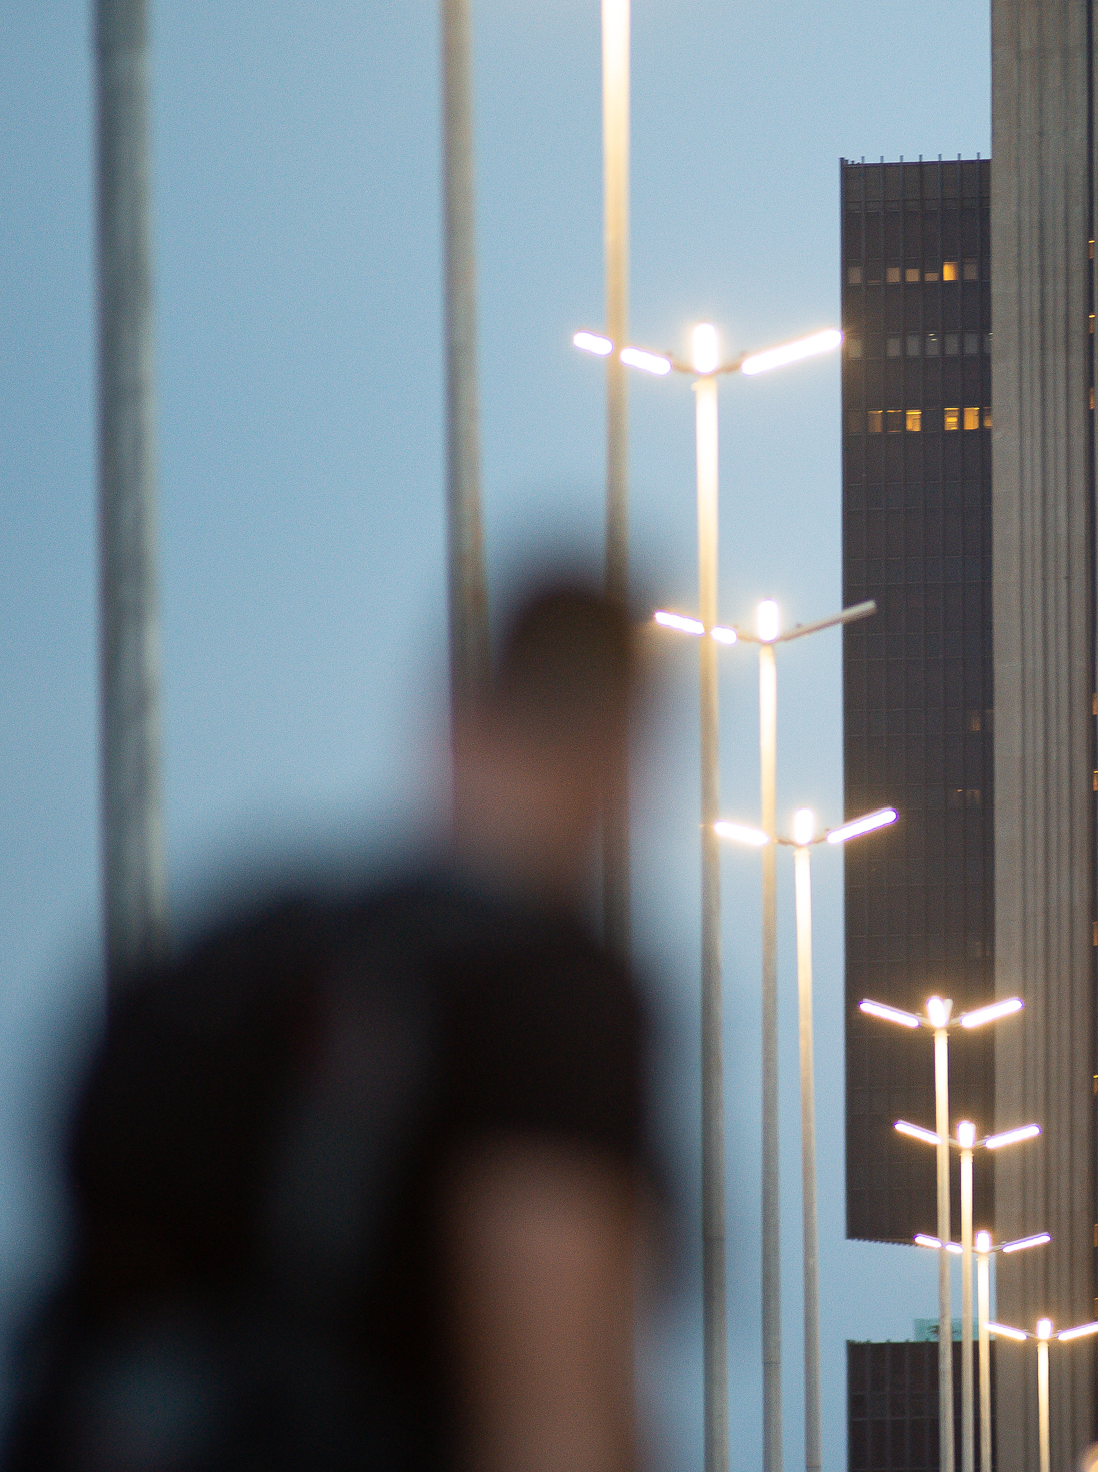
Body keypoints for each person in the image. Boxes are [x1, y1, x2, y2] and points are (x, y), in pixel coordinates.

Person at [7, 579, 654, 1472]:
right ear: (620, 749)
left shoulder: (234, 952)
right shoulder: (550, 997)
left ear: (453, 724)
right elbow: (550, 1410)